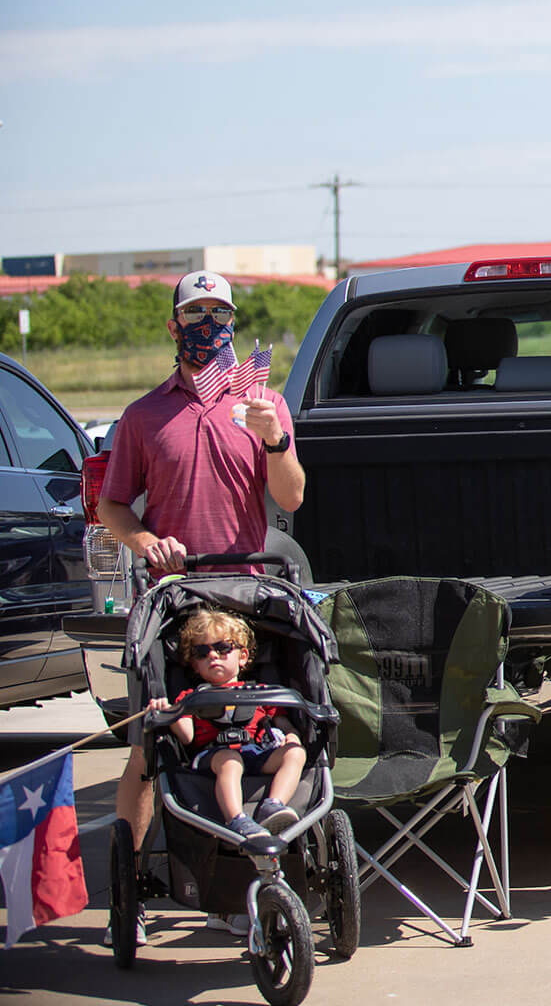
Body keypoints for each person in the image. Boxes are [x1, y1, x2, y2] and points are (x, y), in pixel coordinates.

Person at [101, 270, 305, 938]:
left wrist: (273, 436)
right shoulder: (143, 416)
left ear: (234, 325)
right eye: (196, 315)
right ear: (174, 325)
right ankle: (130, 875)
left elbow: (293, 497)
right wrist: (144, 539)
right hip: (175, 596)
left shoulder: (262, 403)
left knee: (272, 719)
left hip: (249, 592)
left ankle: (266, 840)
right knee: (149, 743)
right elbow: (111, 504)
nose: (209, 326)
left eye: (220, 314)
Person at [146, 609, 306, 839]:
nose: (213, 656)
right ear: (195, 666)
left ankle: (273, 805)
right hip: (213, 757)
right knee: (231, 761)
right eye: (202, 652)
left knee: (296, 753)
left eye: (222, 648)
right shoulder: (191, 697)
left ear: (242, 656)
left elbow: (281, 721)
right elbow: (187, 736)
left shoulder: (260, 693)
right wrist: (168, 712)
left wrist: (291, 735)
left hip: (255, 752)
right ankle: (237, 820)